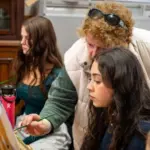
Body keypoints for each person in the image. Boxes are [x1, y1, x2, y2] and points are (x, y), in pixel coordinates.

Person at [20, 2, 150, 150]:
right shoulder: (76, 55)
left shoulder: (146, 47)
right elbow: (61, 99)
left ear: (123, 44)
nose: (92, 53)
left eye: (102, 48)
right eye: (89, 44)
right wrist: (45, 123)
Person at [13, 16, 71, 150]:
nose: (22, 42)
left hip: (52, 132)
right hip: (23, 125)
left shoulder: (58, 75)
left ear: (42, 41)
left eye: (27, 38)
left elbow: (59, 117)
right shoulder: (24, 65)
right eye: (22, 37)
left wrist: (26, 141)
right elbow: (12, 98)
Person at [80, 47, 150, 150]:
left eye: (98, 81)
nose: (89, 87)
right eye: (91, 79)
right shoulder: (108, 118)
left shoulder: (143, 132)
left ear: (120, 85)